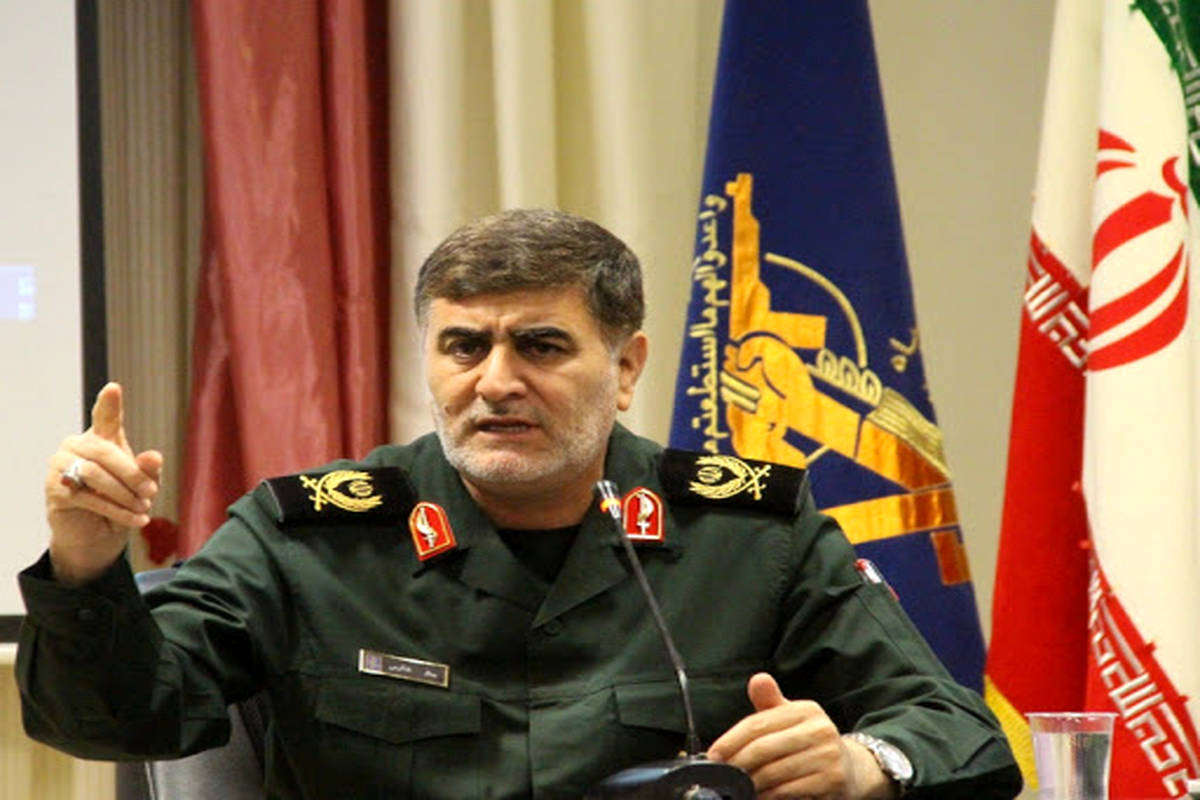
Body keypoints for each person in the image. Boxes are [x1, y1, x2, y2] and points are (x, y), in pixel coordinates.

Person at [19, 209, 1021, 799]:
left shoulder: (751, 536)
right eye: (464, 346)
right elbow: (116, 716)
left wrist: (859, 762)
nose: (495, 381)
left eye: (540, 345)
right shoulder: (306, 537)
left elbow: (960, 731)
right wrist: (87, 564)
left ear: (625, 368)